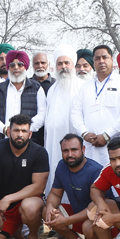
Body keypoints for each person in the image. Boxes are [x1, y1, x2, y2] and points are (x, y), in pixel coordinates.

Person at [0, 114, 50, 239]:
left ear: (30, 134)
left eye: (24, 131)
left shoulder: (39, 152)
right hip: (5, 208)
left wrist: (8, 198)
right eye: (16, 130)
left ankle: (33, 237)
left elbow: (38, 187)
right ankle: (16, 232)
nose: (20, 134)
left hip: (28, 201)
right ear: (8, 132)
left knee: (29, 207)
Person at [71, 44, 120, 165]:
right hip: (90, 147)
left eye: (105, 57)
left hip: (116, 147)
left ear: (111, 60)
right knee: (93, 176)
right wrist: (84, 133)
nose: (101, 61)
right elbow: (75, 113)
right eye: (97, 58)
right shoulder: (85, 86)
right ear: (93, 62)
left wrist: (107, 135)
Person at [44, 134, 108, 239]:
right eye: (65, 151)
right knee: (46, 211)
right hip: (77, 216)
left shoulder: (95, 170)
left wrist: (67, 220)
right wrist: (50, 207)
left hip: (99, 218)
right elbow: (55, 194)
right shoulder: (62, 165)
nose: (70, 154)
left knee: (88, 228)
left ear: (83, 149)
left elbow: (98, 207)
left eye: (74, 150)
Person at [42, 44, 83, 194]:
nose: (63, 67)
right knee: (54, 168)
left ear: (73, 65)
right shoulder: (52, 89)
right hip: (53, 142)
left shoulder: (82, 86)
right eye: (60, 63)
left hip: (74, 141)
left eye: (67, 63)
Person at [0, 49, 47, 146]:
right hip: (2, 142)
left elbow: (42, 114)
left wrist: (24, 131)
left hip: (28, 143)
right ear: (8, 67)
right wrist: (5, 129)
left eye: (20, 65)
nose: (16, 68)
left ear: (25, 67)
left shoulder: (36, 88)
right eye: (12, 65)